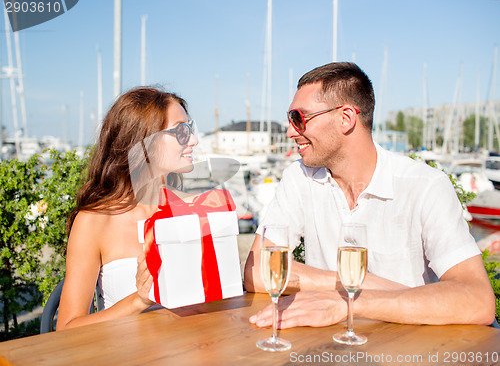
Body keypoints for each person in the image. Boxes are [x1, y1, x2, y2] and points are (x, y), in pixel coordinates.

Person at [244, 62, 496, 328]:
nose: (290, 131)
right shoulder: (300, 178)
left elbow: (478, 300)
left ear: (346, 118)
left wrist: (352, 301)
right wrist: (359, 281)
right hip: (327, 349)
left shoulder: (425, 186)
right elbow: (258, 272)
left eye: (299, 117)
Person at [57, 86, 198, 330]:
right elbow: (67, 328)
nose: (193, 140)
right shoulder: (95, 221)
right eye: (181, 131)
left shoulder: (191, 210)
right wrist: (139, 300)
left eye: (190, 129)